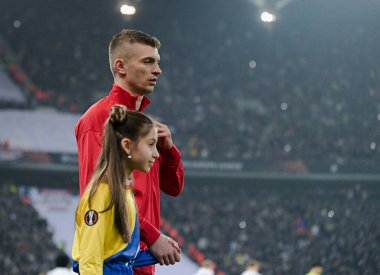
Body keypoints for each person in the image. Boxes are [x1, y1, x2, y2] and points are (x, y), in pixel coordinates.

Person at [75, 29, 184, 275]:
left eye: (157, 62)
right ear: (120, 66)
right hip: (114, 258)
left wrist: (169, 150)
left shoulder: (143, 125)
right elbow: (98, 196)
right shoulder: (99, 119)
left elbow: (174, 187)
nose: (158, 70)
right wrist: (153, 235)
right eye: (148, 62)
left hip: (138, 257)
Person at [72, 105, 162, 274]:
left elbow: (115, 252)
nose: (156, 153)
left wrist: (153, 254)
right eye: (151, 144)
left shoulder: (124, 190)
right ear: (127, 146)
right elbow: (90, 261)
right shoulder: (101, 194)